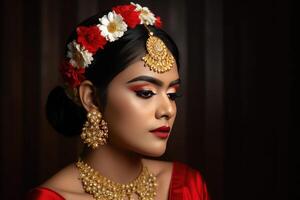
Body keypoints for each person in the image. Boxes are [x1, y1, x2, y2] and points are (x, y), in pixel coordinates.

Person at [27, 2, 209, 200]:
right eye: (146, 93)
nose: (168, 110)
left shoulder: (186, 187)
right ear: (92, 98)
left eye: (172, 94)